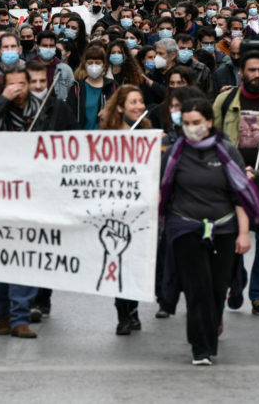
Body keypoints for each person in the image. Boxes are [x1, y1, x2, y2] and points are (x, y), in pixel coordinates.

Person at [159, 96, 259, 365]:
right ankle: (200, 347)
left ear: (209, 122)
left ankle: (212, 325)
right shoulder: (175, 153)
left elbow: (240, 194)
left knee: (217, 287)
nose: (192, 127)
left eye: (197, 122)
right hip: (185, 227)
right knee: (198, 287)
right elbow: (161, 190)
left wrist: (243, 233)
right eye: (187, 123)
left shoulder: (226, 151)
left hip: (224, 229)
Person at [0, 69, 73, 339]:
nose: (19, 88)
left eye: (23, 83)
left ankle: (20, 315)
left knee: (26, 256)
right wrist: (1, 101)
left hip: (33, 193)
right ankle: (2, 313)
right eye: (13, 85)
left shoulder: (43, 109)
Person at [213, 50, 259, 317]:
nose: (256, 75)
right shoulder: (224, 100)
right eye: (251, 70)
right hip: (231, 181)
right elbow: (211, 139)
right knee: (230, 237)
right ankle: (236, 281)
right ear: (241, 71)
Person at [99, 86, 152, 335]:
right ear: (120, 107)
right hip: (115, 208)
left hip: (141, 207)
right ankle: (122, 312)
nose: (139, 106)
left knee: (137, 261)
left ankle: (133, 308)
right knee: (118, 259)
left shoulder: (147, 132)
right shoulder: (108, 135)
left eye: (141, 101)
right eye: (133, 102)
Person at [67, 45, 116, 130]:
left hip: (105, 138)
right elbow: (69, 116)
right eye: (90, 63)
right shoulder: (76, 88)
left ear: (104, 65)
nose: (93, 66)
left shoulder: (113, 87)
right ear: (85, 65)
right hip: (81, 138)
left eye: (97, 63)